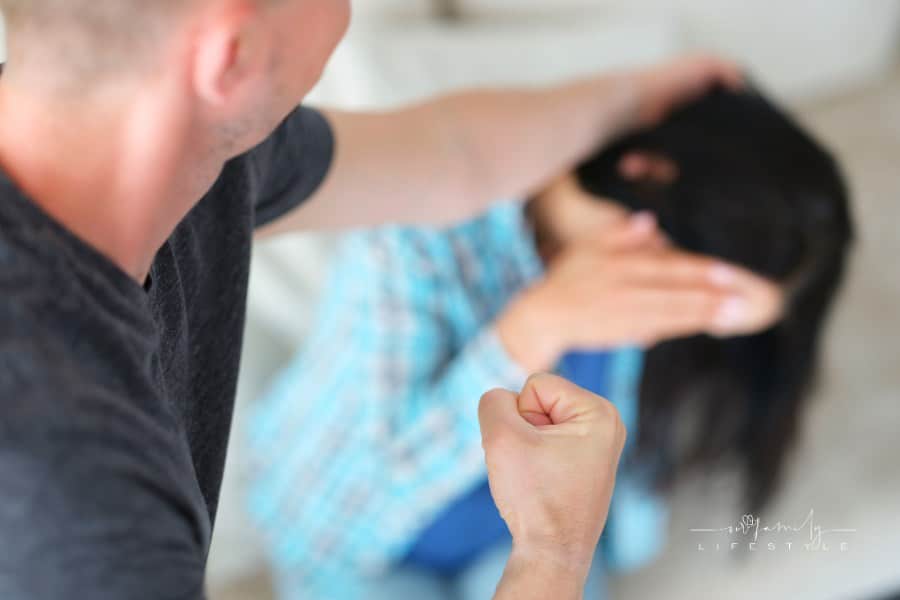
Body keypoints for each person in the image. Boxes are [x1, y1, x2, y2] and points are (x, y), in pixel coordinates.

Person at [0, 0, 751, 597]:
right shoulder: (74, 508)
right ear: (232, 54)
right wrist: (554, 552)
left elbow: (452, 152)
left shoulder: (170, 136)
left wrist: (639, 96)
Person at [248, 87, 852, 599]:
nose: (692, 319)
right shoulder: (414, 245)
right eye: (701, 295)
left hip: (526, 543)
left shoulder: (650, 278)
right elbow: (343, 514)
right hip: (370, 558)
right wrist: (533, 328)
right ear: (646, 175)